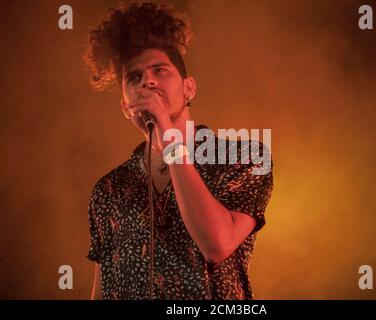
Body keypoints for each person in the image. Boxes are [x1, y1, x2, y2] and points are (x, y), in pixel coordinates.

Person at [84, 1, 273, 300]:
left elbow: (216, 244)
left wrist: (171, 142)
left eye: (160, 70)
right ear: (125, 106)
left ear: (189, 88)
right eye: (133, 78)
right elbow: (103, 289)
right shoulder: (108, 189)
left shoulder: (243, 157)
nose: (147, 81)